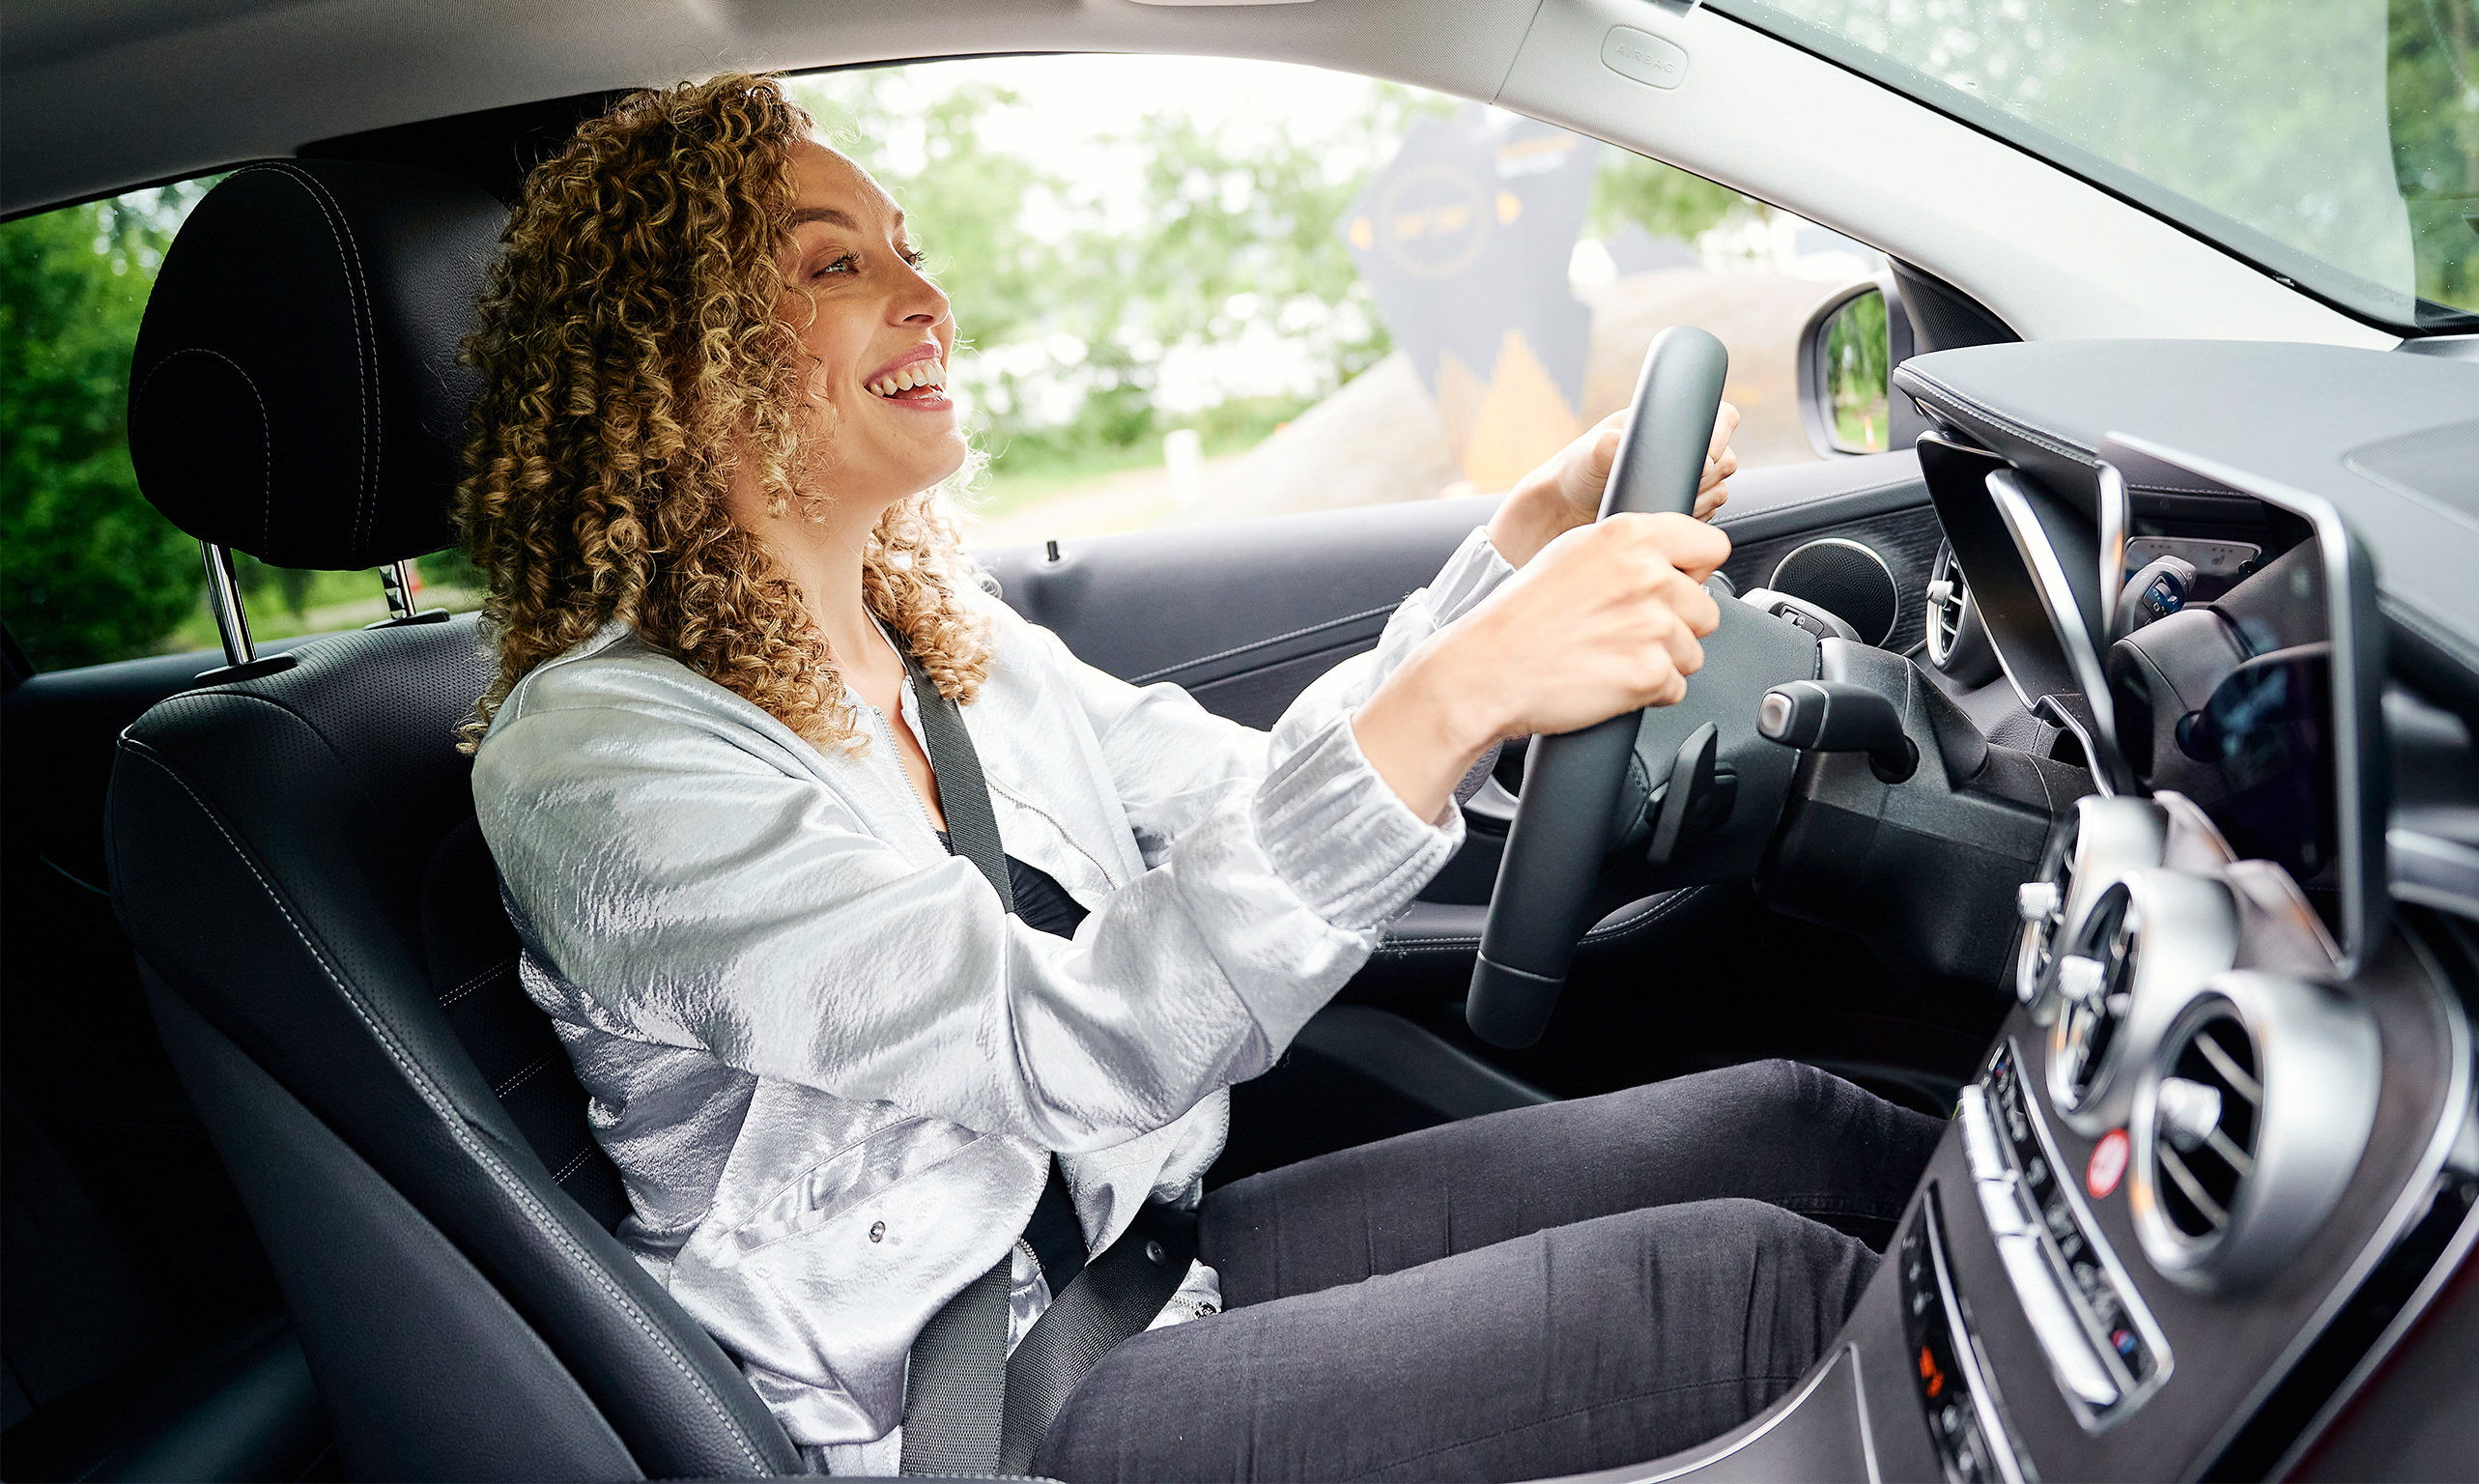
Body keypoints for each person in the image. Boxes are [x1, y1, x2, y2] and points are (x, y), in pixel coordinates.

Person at [461, 71, 1942, 1483]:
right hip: (966, 1408)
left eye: (907, 249)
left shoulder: (943, 642)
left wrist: (1502, 567)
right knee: (1751, 1301)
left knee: (1785, 1123)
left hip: (1143, 1257)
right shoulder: (601, 764)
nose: (925, 298)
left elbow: (1255, 800)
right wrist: (1467, 684)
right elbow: (1063, 1041)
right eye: (834, 266)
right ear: (674, 357)